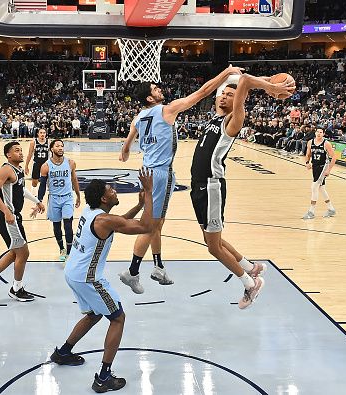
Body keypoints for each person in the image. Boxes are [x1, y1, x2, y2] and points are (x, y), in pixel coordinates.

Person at [118, 65, 244, 294]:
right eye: (155, 89)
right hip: (160, 173)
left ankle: (157, 266)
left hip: (146, 171)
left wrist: (126, 149)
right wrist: (225, 74)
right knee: (151, 224)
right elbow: (203, 92)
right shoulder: (166, 109)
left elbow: (131, 134)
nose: (159, 90)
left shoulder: (140, 116)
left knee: (157, 223)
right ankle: (132, 272)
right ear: (149, 97)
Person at [190, 74, 295, 309]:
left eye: (231, 94)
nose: (226, 96)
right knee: (211, 240)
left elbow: (245, 80)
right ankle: (251, 267)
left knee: (213, 247)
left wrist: (269, 85)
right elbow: (236, 79)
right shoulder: (214, 118)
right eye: (223, 93)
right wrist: (232, 74)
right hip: (198, 187)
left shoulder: (233, 121)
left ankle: (250, 283)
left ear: (238, 98)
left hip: (211, 185)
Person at [50, 168, 154, 393]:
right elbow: (147, 227)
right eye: (111, 190)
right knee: (118, 318)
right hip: (87, 278)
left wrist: (138, 206)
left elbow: (117, 221)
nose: (115, 191)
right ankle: (103, 377)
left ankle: (63, 353)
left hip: (73, 273)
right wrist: (149, 192)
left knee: (95, 314)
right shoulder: (104, 219)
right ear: (104, 198)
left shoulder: (92, 211)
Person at [0, 141, 45, 302]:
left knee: (16, 252)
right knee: (23, 252)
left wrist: (37, 200)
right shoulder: (5, 169)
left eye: (21, 150)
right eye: (16, 151)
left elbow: (21, 190)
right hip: (7, 218)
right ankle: (16, 289)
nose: (21, 153)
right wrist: (6, 211)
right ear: (8, 154)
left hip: (12, 217)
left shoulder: (18, 170)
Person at [38, 139, 81, 261]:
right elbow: (42, 186)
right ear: (52, 149)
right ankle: (62, 248)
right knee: (56, 226)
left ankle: (70, 251)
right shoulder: (45, 166)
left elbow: (74, 180)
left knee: (68, 224)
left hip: (67, 197)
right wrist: (39, 200)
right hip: (54, 198)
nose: (61, 148)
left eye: (62, 146)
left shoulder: (71, 163)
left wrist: (78, 195)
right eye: (57, 146)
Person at [302, 127, 337, 219]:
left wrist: (328, 170)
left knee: (314, 186)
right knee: (321, 188)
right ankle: (331, 209)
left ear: (323, 134)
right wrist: (307, 163)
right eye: (317, 131)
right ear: (315, 132)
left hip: (323, 166)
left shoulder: (326, 143)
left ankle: (311, 211)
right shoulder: (310, 142)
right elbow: (308, 154)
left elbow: (334, 157)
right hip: (315, 166)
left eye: (321, 132)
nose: (318, 133)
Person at [24, 128, 49, 194]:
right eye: (41, 133)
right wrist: (26, 166)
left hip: (46, 164)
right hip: (37, 163)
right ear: (38, 134)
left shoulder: (49, 142)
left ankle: (43, 194)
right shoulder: (33, 142)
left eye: (44, 133)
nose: (42, 134)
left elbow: (53, 154)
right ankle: (34, 194)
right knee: (34, 182)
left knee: (46, 180)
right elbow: (29, 154)